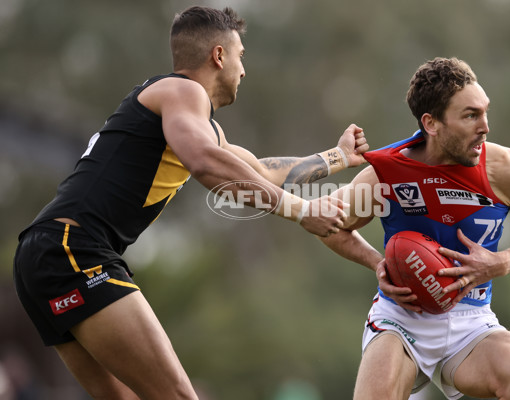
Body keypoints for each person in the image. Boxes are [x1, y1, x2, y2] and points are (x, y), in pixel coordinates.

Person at [12, 6, 369, 399]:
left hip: (47, 254)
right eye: (241, 57)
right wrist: (302, 211)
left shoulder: (193, 119)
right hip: (73, 249)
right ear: (219, 56)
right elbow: (205, 164)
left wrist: (336, 157)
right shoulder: (182, 92)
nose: (243, 71)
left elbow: (261, 173)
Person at [319, 57, 510, 399]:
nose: (485, 126)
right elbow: (329, 227)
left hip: (471, 321)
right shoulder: (386, 172)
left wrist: (501, 262)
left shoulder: (509, 170)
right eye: (471, 115)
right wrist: (377, 263)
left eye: (485, 112)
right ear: (431, 123)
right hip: (402, 318)